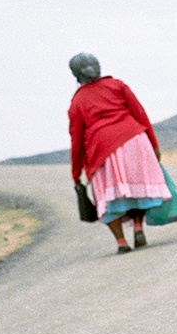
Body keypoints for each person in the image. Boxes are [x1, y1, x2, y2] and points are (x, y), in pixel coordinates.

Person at [67, 53, 167, 256]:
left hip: (102, 148)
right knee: (138, 188)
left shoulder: (77, 102)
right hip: (134, 140)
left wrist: (76, 173)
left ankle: (121, 242)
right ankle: (138, 227)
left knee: (107, 197)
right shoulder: (118, 86)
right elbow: (140, 114)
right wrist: (153, 145)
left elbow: (76, 140)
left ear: (76, 76)